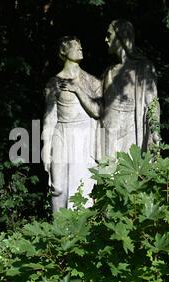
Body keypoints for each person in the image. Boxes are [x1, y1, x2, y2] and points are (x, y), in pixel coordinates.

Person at [42, 36, 102, 212]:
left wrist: (77, 89)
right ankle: (59, 231)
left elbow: (98, 111)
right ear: (63, 51)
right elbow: (50, 116)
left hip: (83, 136)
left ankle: (81, 232)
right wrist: (46, 148)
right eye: (75, 46)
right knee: (57, 187)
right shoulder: (54, 83)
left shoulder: (92, 82)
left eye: (81, 45)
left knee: (82, 186)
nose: (80, 48)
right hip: (61, 133)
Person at [102, 19, 160, 156]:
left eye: (109, 35)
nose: (105, 39)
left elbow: (151, 104)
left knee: (128, 173)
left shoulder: (143, 67)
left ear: (121, 35)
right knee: (106, 175)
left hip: (131, 137)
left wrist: (154, 131)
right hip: (108, 138)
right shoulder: (109, 72)